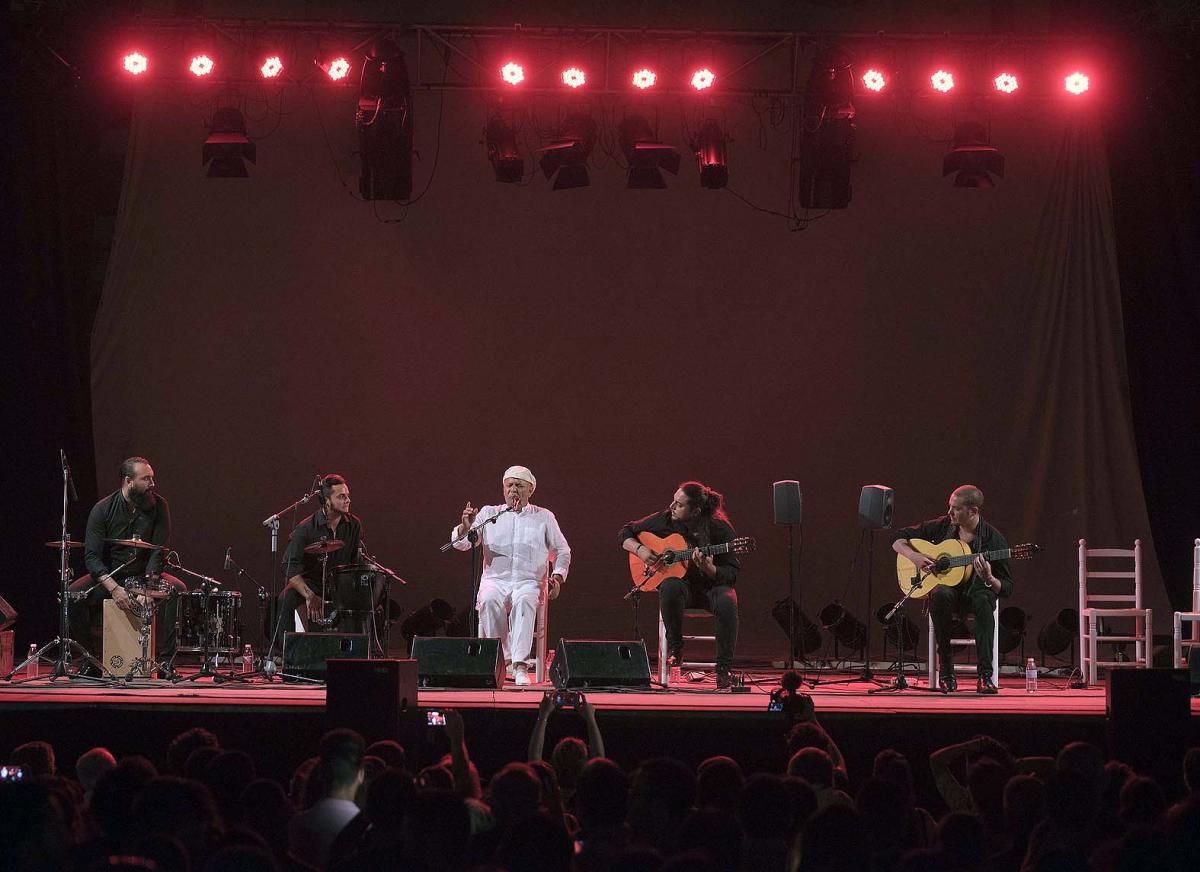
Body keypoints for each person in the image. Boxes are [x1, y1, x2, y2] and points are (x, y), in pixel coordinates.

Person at [452, 465, 571, 686]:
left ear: (530, 490)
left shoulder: (544, 517)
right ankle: (505, 660)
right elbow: (462, 544)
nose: (513, 490)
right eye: (509, 485)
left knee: (524, 601)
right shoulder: (489, 513)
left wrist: (558, 577)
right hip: (496, 581)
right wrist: (465, 527)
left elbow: (562, 551)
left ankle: (520, 666)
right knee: (488, 600)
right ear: (503, 489)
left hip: (529, 581)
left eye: (519, 486)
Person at [69, 456, 186, 677]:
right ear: (128, 481)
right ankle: (90, 659)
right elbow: (92, 557)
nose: (152, 484)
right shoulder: (102, 509)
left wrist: (149, 587)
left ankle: (164, 662)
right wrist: (114, 588)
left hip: (146, 574)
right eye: (146, 479)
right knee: (73, 595)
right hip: (113, 576)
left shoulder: (160, 506)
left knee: (178, 590)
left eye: (152, 478)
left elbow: (159, 551)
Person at [891, 484, 1013, 694]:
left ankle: (985, 676)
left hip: (977, 594)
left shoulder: (994, 540)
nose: (949, 512)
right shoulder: (944, 525)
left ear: (973, 511)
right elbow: (897, 538)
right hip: (949, 595)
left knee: (984, 600)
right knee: (940, 593)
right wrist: (915, 556)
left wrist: (990, 577)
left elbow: (1007, 588)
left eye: (955, 508)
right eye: (950, 507)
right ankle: (946, 671)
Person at [619, 481, 740, 689]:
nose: (672, 507)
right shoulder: (666, 519)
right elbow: (625, 532)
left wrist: (710, 570)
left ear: (696, 511)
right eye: (673, 501)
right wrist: (641, 551)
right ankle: (676, 648)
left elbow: (731, 574)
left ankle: (723, 669)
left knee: (728, 600)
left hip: (710, 589)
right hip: (682, 590)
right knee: (670, 585)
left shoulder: (719, 529)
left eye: (679, 504)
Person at [276, 474, 362, 639]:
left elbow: (355, 561)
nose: (348, 500)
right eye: (341, 496)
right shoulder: (306, 528)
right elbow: (289, 566)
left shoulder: (354, 525)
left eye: (348, 496)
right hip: (312, 583)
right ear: (327, 501)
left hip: (340, 583)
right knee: (285, 599)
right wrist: (310, 595)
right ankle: (288, 652)